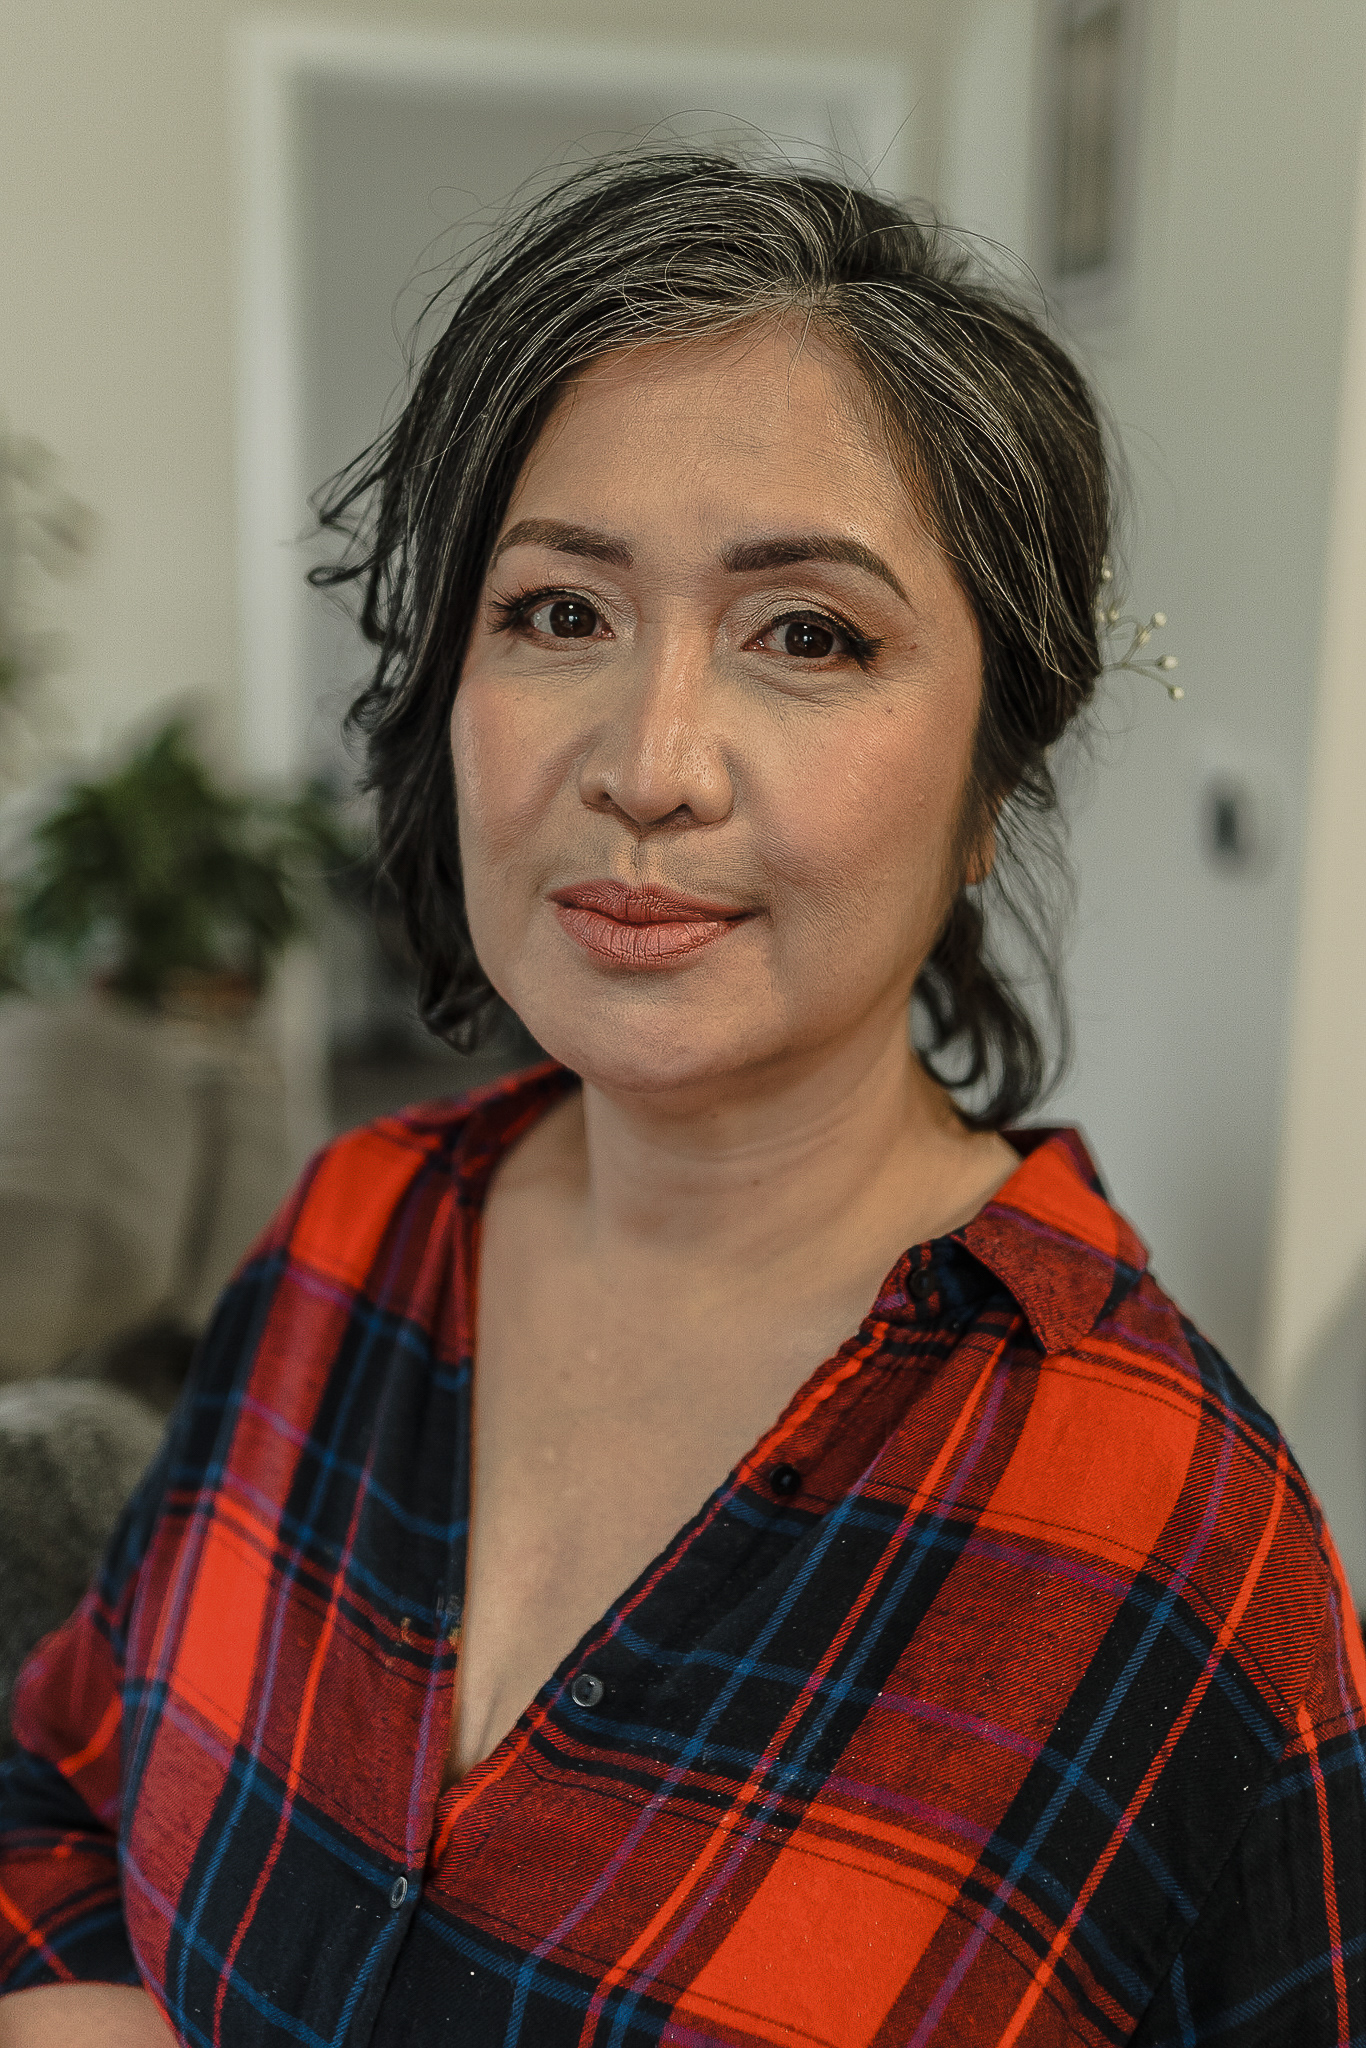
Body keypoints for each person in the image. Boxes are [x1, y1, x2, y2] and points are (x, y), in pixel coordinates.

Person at [1, 152, 1362, 2048]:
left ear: (989, 782)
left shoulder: (1175, 1538)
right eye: (559, 612)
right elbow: (60, 1779)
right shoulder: (356, 1227)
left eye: (807, 633)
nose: (647, 766)